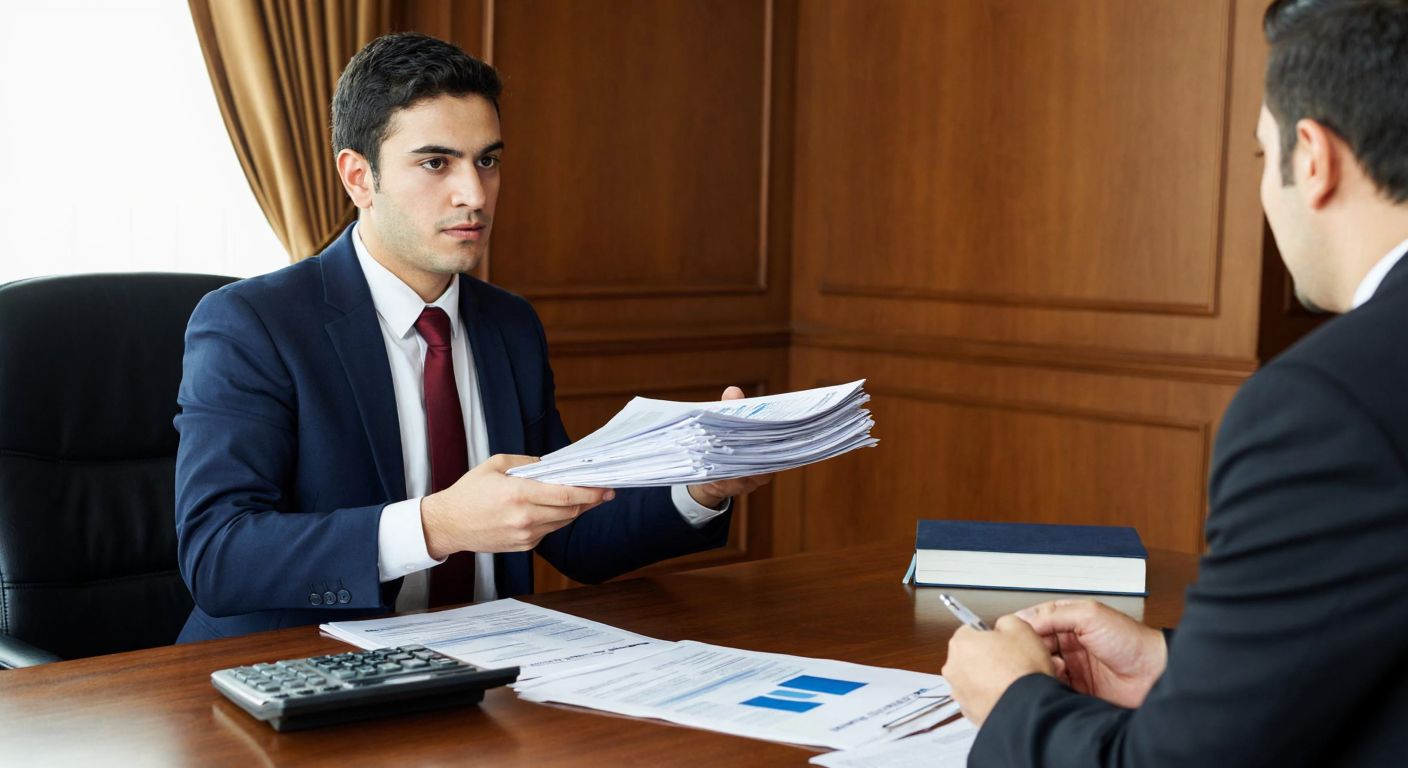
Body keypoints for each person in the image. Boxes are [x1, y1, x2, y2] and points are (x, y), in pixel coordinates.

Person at [173, 32, 769, 642]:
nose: (474, 194)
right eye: (436, 163)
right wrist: (436, 527)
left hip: (491, 672)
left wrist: (700, 486)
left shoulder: (509, 324)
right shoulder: (251, 324)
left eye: (487, 160)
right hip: (300, 678)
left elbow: (572, 535)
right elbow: (218, 556)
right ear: (359, 179)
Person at [941, 0, 1408, 764]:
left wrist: (1014, 704)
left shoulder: (1325, 406)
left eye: (1264, 158)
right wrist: (1178, 664)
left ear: (1314, 159)